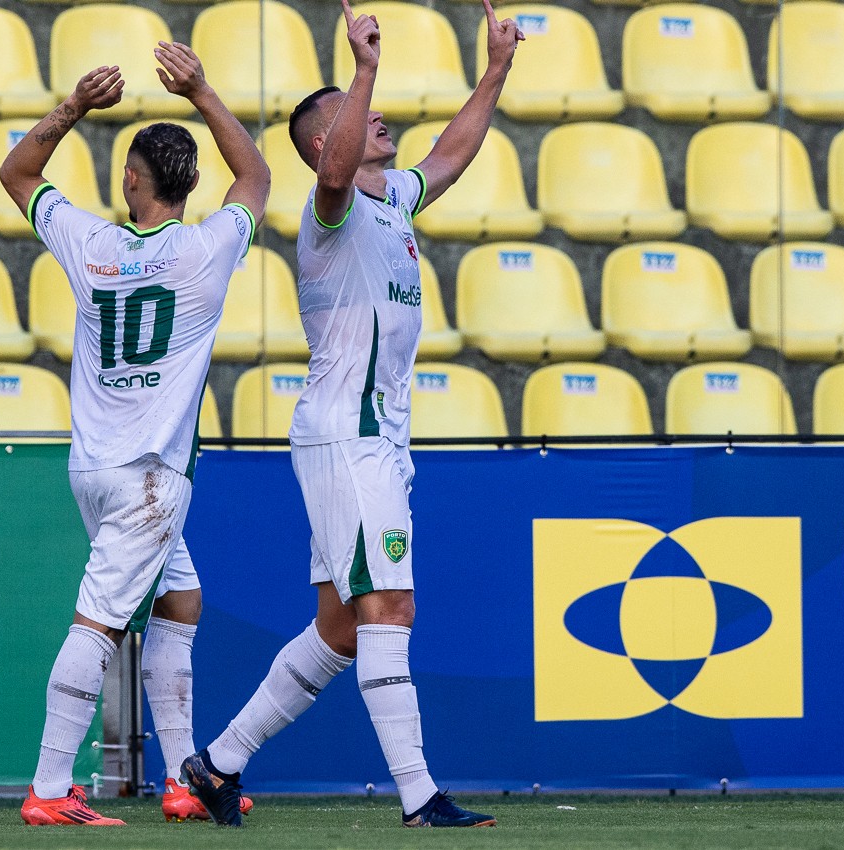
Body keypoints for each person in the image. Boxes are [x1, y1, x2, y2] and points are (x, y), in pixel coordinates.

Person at [182, 0, 524, 829]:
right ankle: (419, 796)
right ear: (320, 143)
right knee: (389, 609)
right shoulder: (327, 213)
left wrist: (496, 71)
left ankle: (215, 763)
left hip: (373, 439)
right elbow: (333, 175)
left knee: (339, 628)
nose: (376, 118)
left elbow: (449, 153)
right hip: (350, 435)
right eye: (353, 116)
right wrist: (363, 65)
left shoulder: (394, 202)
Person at [0, 42, 269, 827]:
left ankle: (184, 780)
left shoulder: (93, 244)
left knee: (181, 600)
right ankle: (50, 790)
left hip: (94, 468)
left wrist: (73, 108)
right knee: (100, 622)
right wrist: (203, 89)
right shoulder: (206, 248)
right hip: (151, 477)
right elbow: (254, 178)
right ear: (190, 186)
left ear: (130, 181)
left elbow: (18, 175)